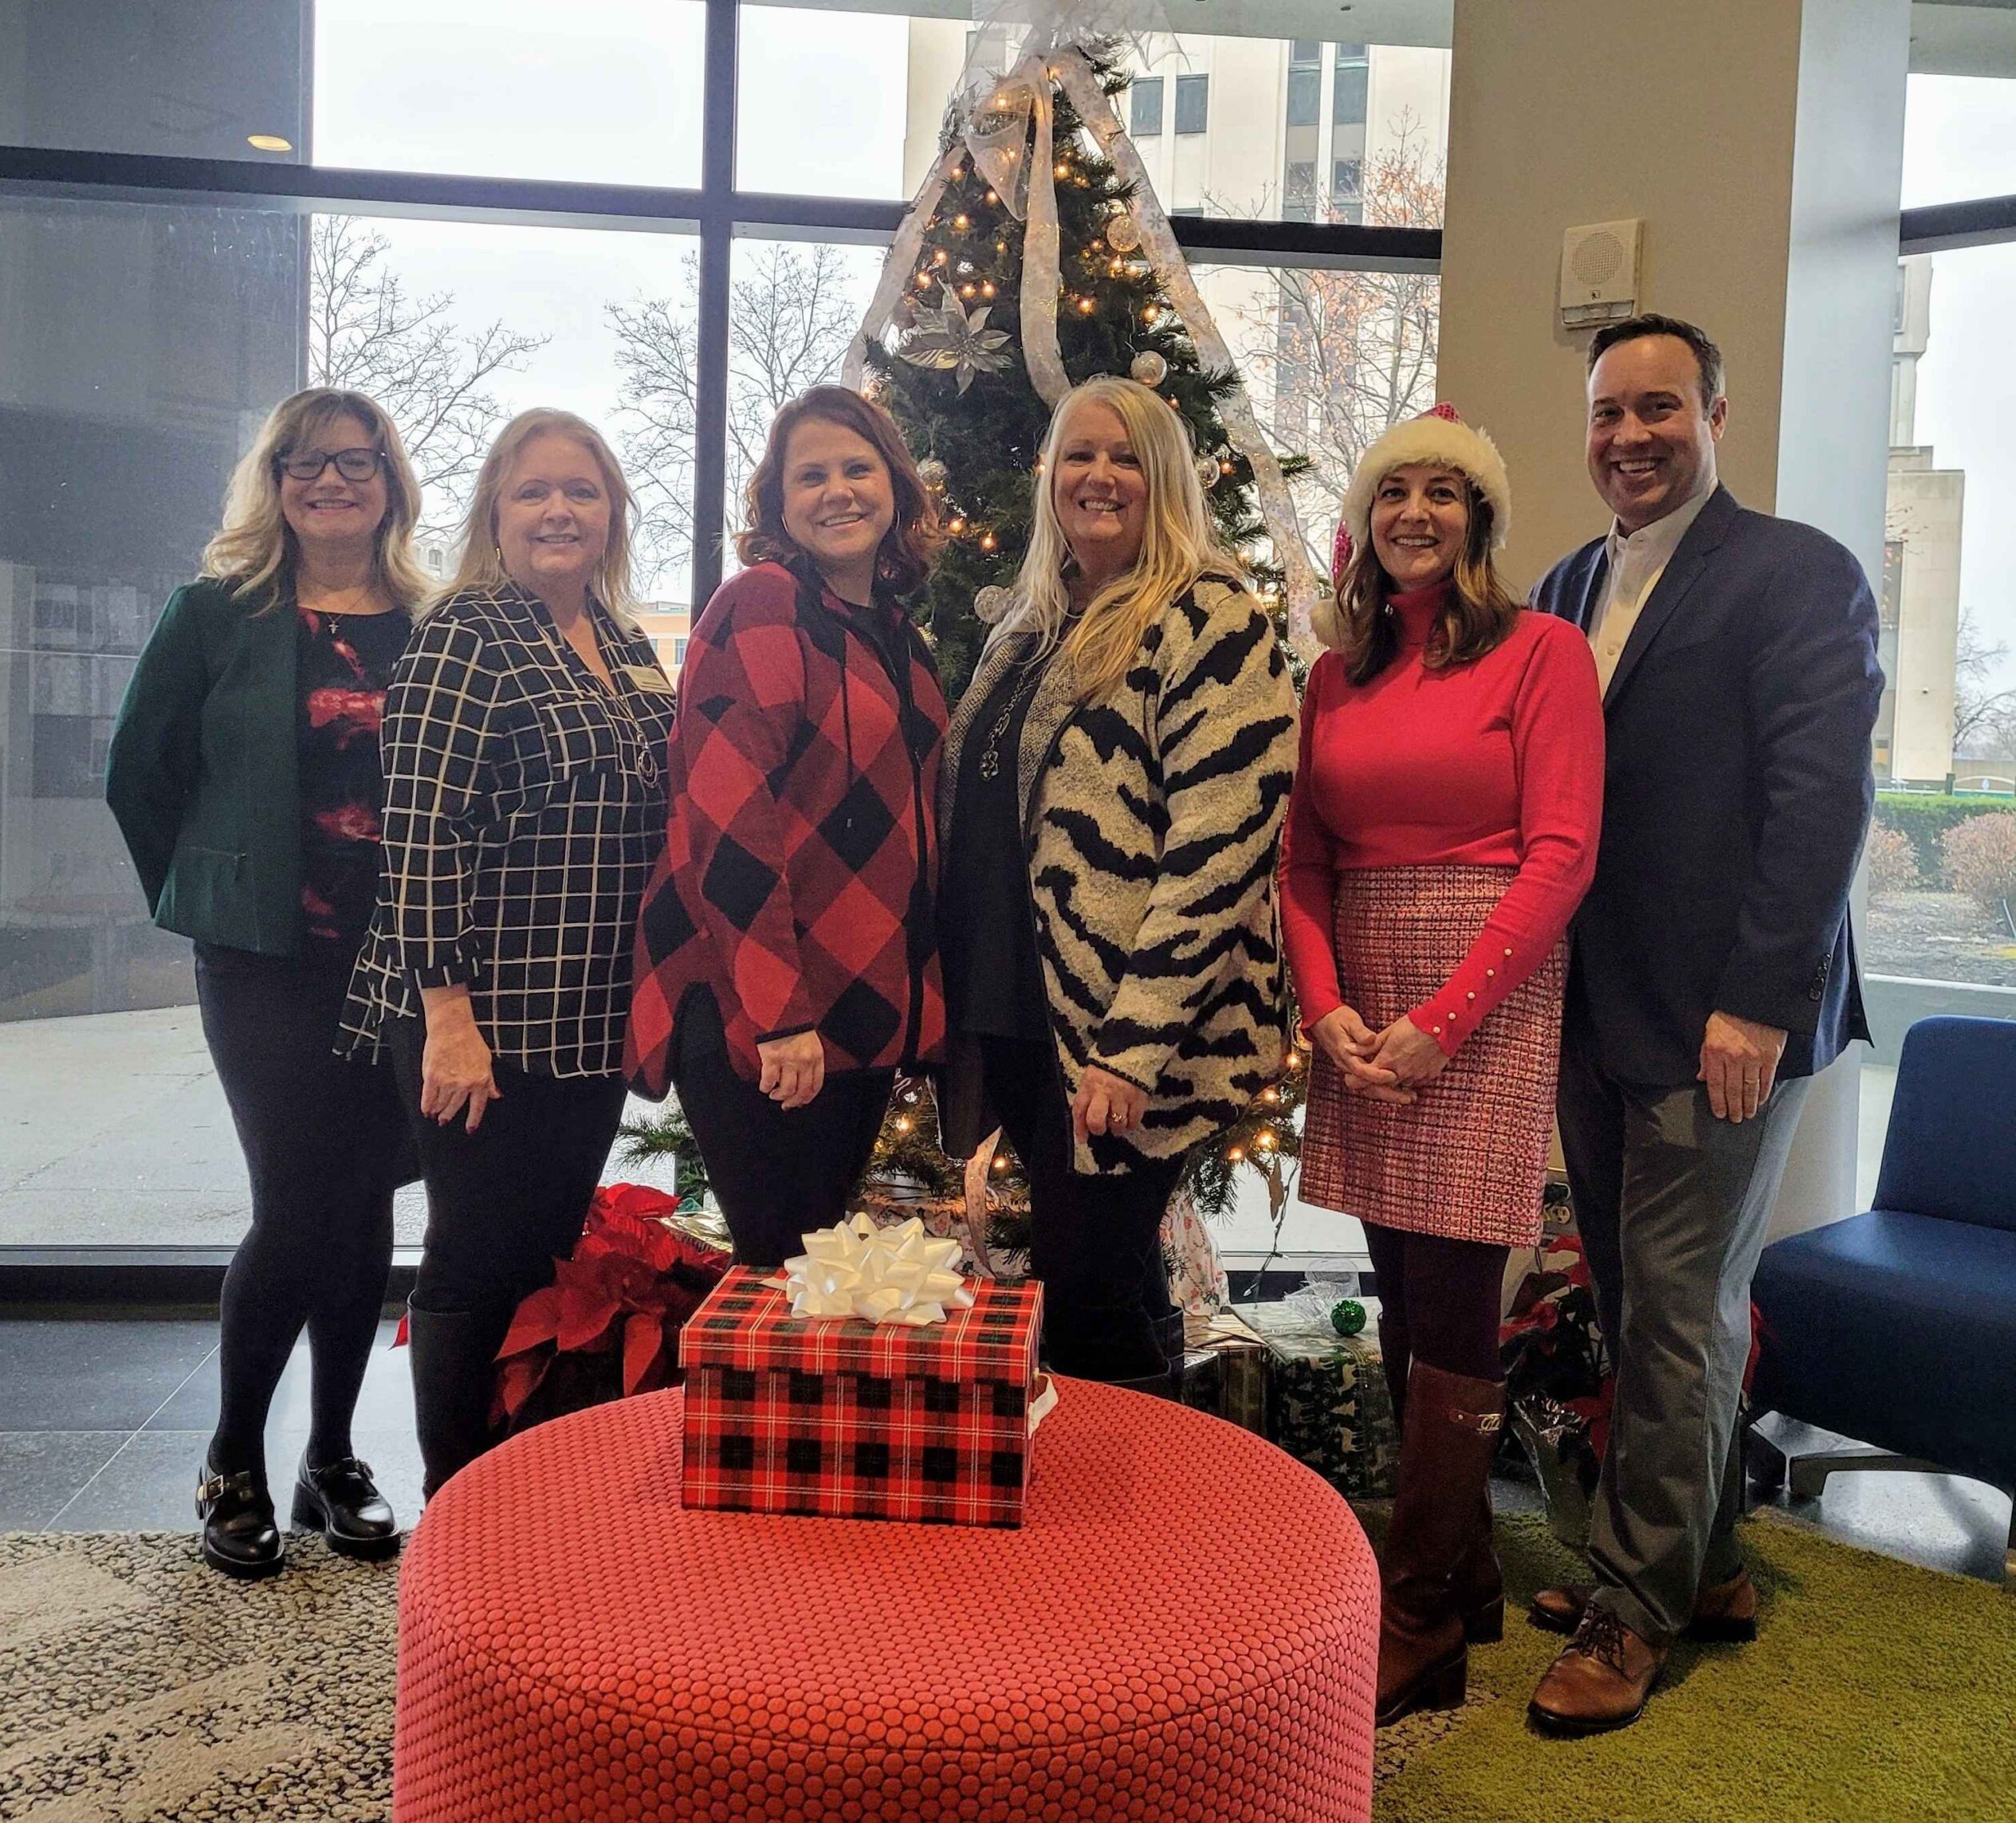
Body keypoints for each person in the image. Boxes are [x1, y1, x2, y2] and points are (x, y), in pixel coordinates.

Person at [1525, 315, 1882, 1737]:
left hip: (1727, 1019)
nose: (1629, 436)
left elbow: (1819, 808)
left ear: (1717, 414)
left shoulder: (1799, 576)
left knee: (1677, 1307)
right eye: (1608, 412)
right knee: (1632, 1297)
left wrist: (1755, 1003)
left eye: (1659, 408)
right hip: (1599, 1016)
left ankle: (1632, 1612)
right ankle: (1706, 1565)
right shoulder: (1564, 584)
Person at [1279, 403, 1604, 1724]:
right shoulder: (1333, 674)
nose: (1417, 511)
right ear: (1366, 518)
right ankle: (1461, 1570)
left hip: (1487, 991)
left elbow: (1563, 855)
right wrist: (1326, 1009)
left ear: (1480, 518)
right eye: (1395, 489)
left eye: (1446, 492)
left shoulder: (1545, 653)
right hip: (1361, 994)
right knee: (1401, 1282)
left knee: (1461, 1293)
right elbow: (1303, 859)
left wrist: (1443, 1020)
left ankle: (1415, 1617)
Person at [107, 387, 428, 1577]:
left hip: (402, 959)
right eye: (303, 462)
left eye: (353, 461)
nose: (328, 480)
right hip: (265, 960)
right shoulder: (216, 614)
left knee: (360, 1205)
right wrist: (208, 885)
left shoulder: (432, 617)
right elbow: (139, 770)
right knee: (299, 1200)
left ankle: (331, 1457)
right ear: (274, 480)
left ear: (389, 479)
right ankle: (233, 1455)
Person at [340, 407, 674, 1499]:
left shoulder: (625, 644)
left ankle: (516, 1501)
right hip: (475, 1012)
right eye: (533, 492)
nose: (559, 511)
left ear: (613, 512)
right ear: (495, 512)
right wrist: (446, 1015)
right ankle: (456, 1503)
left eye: (581, 490)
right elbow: (420, 829)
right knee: (476, 1261)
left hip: (582, 1021)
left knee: (540, 1262)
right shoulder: (466, 632)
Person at [937, 375, 1296, 1385]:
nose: (1099, 476)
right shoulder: (1030, 624)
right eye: (1079, 454)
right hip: (1018, 1009)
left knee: (1086, 1282)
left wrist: (1134, 1047)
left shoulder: (1209, 621)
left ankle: (1123, 1519)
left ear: (1166, 478)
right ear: (1050, 473)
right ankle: (1153, 1492)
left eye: (1126, 456)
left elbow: (1219, 853)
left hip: (1128, 1028)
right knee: (1109, 1272)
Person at [626, 387, 948, 1262]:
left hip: (861, 1012)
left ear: (894, 487)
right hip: (767, 1017)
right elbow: (724, 824)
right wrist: (777, 1016)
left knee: (810, 1271)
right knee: (779, 1277)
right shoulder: (761, 605)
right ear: (777, 504)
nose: (837, 491)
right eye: (810, 476)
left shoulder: (897, 638)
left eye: (856, 467)